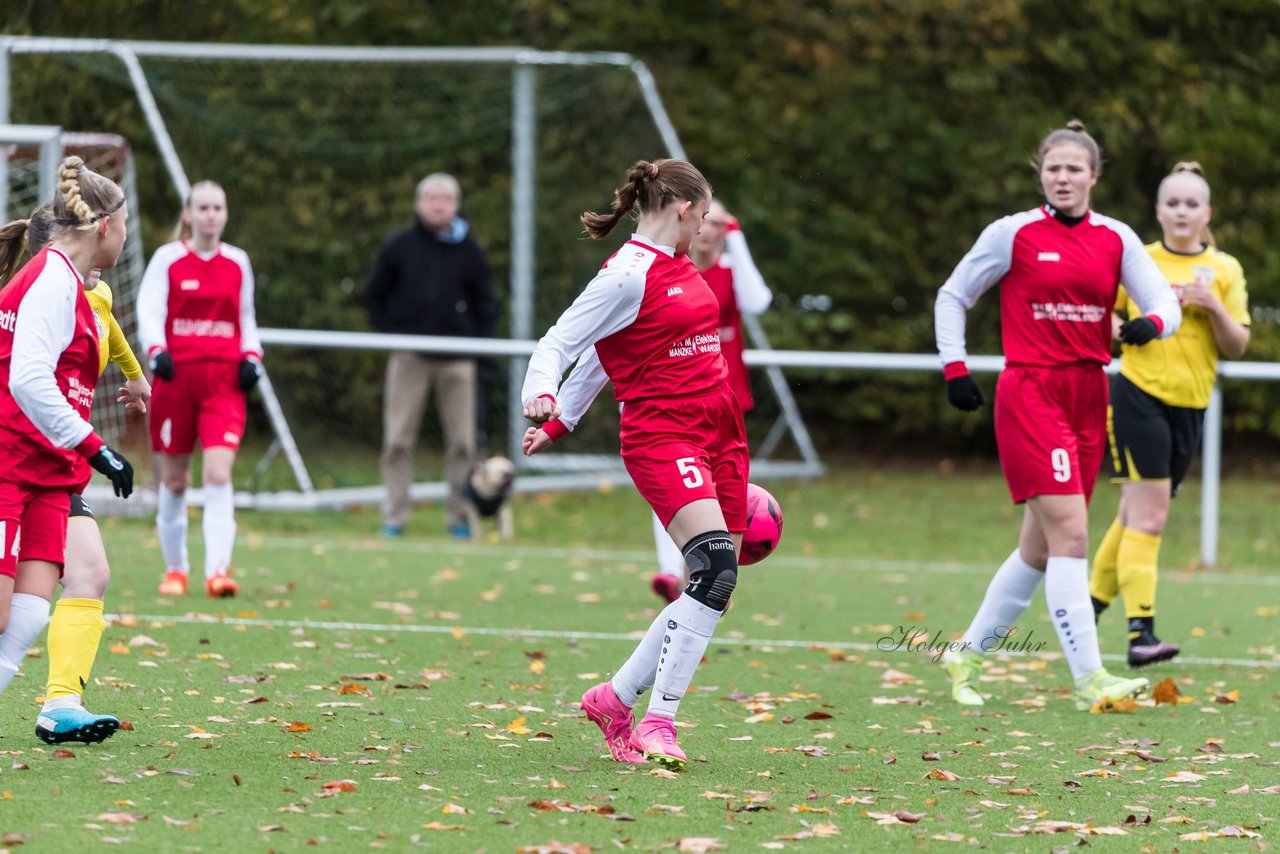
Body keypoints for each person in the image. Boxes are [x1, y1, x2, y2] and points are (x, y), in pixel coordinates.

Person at [933, 121, 1182, 711]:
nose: (1063, 177)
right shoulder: (1012, 233)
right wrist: (955, 368)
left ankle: (965, 652)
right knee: (1072, 533)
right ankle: (1089, 678)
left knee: (1040, 550)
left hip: (1089, 395)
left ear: (1094, 176)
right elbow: (953, 295)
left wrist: (1151, 324)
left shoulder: (1117, 239)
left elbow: (1165, 302)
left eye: (1075, 169)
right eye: (1053, 168)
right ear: (1041, 173)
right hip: (1031, 392)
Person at [522, 158, 748, 769]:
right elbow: (563, 341)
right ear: (681, 210)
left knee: (714, 588)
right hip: (663, 433)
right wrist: (542, 396)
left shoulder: (675, 265)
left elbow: (612, 350)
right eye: (702, 217)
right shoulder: (625, 274)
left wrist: (564, 419)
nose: (704, 228)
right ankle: (658, 723)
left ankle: (614, 700)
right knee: (714, 570)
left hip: (717, 428)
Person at [1089, 162, 1250, 666]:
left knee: (1133, 516)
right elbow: (1104, 311)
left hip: (1192, 404)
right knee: (1151, 518)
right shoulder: (1139, 258)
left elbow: (1238, 344)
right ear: (1158, 211)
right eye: (1173, 203)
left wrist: (1214, 308)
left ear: (1207, 213)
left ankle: (1083, 609)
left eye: (1192, 204)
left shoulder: (1225, 269)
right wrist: (1127, 328)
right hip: (1139, 394)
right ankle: (1142, 635)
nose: (1182, 212)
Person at [0, 157, 135, 724]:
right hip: (10, 461)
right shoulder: (51, 278)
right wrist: (95, 446)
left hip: (49, 470)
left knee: (30, 611)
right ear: (104, 227)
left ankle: (59, 708)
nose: (126, 236)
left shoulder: (76, 288)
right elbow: (26, 378)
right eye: (125, 223)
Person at [137, 180, 262, 598]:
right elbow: (149, 310)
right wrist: (157, 352)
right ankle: (176, 570)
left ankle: (218, 572)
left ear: (226, 215)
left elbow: (246, 318)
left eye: (218, 208)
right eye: (203, 207)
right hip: (176, 381)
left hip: (223, 384)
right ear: (188, 214)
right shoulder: (168, 259)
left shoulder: (238, 262)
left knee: (217, 473)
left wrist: (251, 357)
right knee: (174, 481)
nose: (211, 214)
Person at [362, 173, 498, 539]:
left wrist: (480, 351)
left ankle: (460, 518)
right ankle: (393, 517)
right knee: (397, 440)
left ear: (455, 205)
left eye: (445, 199)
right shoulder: (399, 247)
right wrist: (394, 334)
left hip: (459, 358)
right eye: (431, 199)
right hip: (410, 358)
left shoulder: (470, 251)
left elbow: (486, 305)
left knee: (463, 444)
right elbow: (373, 296)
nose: (437, 205)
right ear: (419, 203)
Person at [650, 200, 771, 603]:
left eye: (721, 224)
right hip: (677, 396)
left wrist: (738, 239)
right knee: (674, 481)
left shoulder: (731, 271)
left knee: (719, 489)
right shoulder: (670, 271)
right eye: (708, 220)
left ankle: (705, 577)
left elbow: (758, 302)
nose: (711, 229)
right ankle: (671, 573)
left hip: (724, 395)